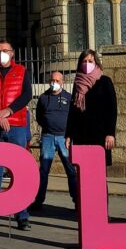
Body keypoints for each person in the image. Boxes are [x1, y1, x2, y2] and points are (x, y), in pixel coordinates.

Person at [0, 39, 33, 231]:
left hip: (16, 125)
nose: (1, 53)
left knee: (18, 172)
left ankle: (22, 215)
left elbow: (26, 94)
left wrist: (9, 111)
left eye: (5, 50)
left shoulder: (22, 71)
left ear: (12, 53)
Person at [32, 71, 78, 211]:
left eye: (57, 80)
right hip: (48, 137)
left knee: (70, 170)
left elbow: (73, 118)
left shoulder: (69, 98)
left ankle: (77, 201)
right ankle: (39, 200)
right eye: (52, 80)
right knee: (44, 170)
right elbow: (39, 116)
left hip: (64, 138)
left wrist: (70, 135)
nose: (54, 83)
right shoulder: (43, 98)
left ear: (62, 82)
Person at [65, 50, 117, 170]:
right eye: (84, 61)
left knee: (98, 173)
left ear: (96, 63)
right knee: (83, 173)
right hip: (81, 135)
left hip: (99, 135)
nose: (87, 63)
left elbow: (112, 109)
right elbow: (73, 110)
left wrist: (110, 133)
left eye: (90, 61)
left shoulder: (105, 81)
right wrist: (69, 134)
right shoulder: (78, 84)